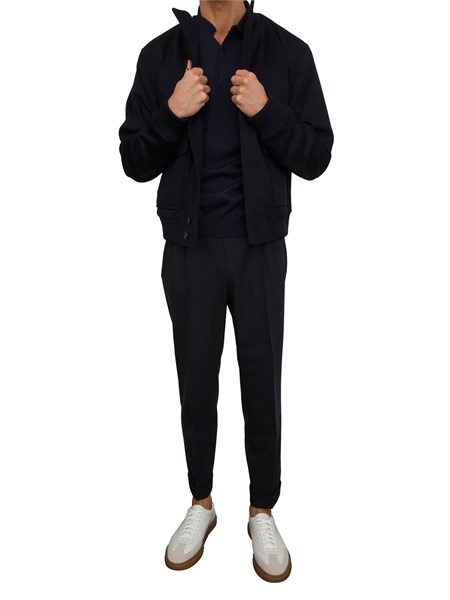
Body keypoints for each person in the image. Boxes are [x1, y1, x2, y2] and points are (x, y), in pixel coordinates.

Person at [118, 0, 333, 583]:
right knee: (195, 379)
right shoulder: (159, 56)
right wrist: (171, 112)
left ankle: (262, 509)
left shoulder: (288, 52)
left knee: (262, 377)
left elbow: (317, 156)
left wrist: (268, 112)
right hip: (189, 248)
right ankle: (201, 501)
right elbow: (134, 160)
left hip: (260, 245)